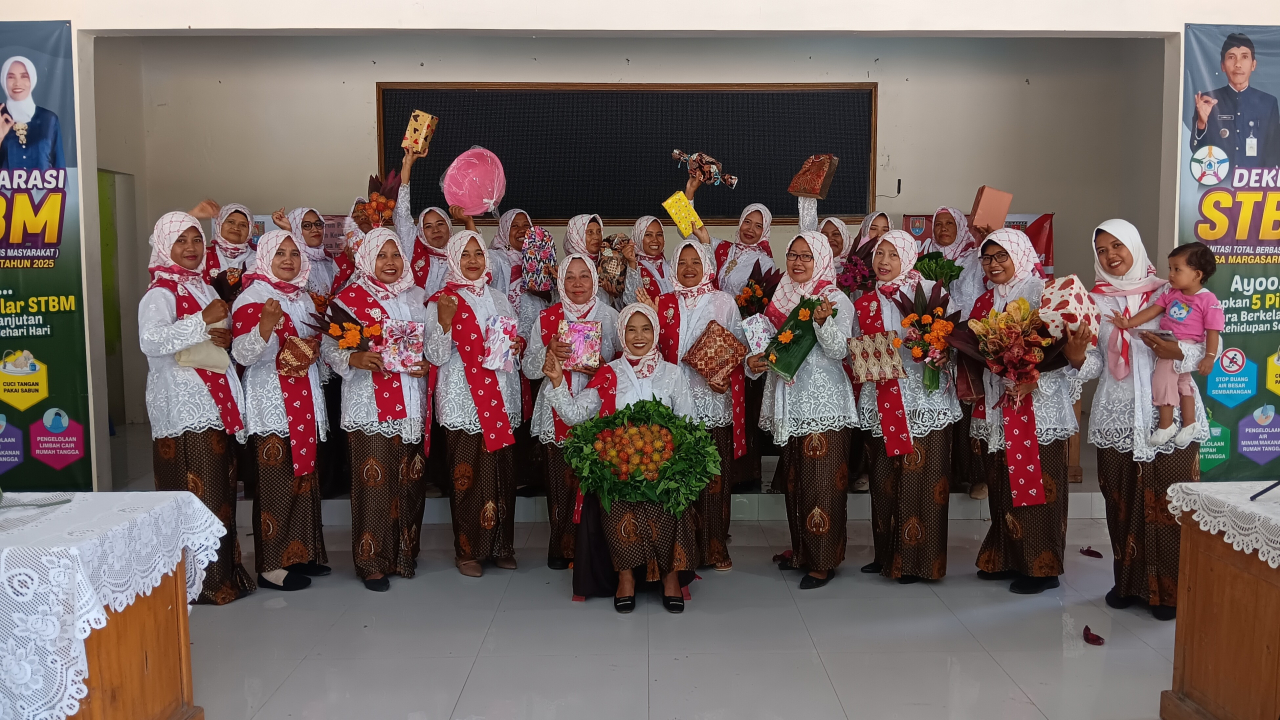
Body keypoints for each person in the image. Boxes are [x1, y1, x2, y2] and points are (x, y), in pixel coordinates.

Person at [1080, 219, 1207, 621]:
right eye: (1102, 250)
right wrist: (1075, 355)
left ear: (1134, 246)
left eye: (1117, 245)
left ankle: (1170, 594)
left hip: (1170, 414)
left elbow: (1203, 345)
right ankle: (1128, 586)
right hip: (1117, 417)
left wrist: (1176, 352)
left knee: (1171, 505)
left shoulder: (1171, 291)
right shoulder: (1093, 301)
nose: (1111, 255)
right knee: (1120, 503)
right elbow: (1094, 364)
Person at [543, 303, 699, 613]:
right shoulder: (609, 373)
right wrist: (558, 381)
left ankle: (670, 577)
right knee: (614, 501)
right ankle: (625, 578)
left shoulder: (672, 374)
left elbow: (689, 423)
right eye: (631, 329)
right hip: (619, 467)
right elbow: (575, 415)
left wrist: (671, 461)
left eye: (646, 329)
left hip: (662, 467)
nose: (639, 336)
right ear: (621, 334)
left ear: (656, 332)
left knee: (669, 498)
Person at [969, 229, 1092, 594]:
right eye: (987, 258)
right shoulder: (984, 302)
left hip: (1037, 409)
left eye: (1001, 256)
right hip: (999, 406)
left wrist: (1031, 380)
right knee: (1002, 484)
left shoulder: (1044, 293)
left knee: (1039, 487)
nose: (993, 264)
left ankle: (1041, 567)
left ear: (1020, 254)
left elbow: (1066, 353)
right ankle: (1006, 557)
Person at [139, 211, 253, 604]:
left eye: (196, 240)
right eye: (181, 240)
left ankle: (223, 576)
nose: (191, 248)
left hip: (213, 402)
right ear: (163, 246)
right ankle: (199, 584)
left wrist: (221, 336)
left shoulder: (203, 285)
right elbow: (151, 341)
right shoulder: (160, 293)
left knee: (219, 495)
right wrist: (202, 321)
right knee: (196, 496)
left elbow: (210, 334)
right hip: (183, 408)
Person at [748, 231, 858, 589]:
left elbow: (840, 350)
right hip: (789, 403)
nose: (797, 262)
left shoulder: (834, 298)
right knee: (796, 483)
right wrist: (754, 361)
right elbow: (767, 347)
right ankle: (802, 551)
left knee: (822, 485)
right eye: (793, 255)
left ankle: (823, 560)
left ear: (821, 259)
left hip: (823, 404)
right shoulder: (782, 296)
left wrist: (822, 321)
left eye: (806, 256)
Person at [323, 228, 429, 591]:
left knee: (410, 480)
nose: (390, 262)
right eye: (381, 255)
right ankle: (371, 561)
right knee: (374, 484)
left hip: (411, 401)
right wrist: (352, 357)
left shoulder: (417, 296)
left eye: (395, 254)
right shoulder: (348, 299)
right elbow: (328, 348)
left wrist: (426, 362)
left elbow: (429, 345)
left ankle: (404, 555)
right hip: (370, 406)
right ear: (367, 259)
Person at [852, 230, 962, 583]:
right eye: (879, 254)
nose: (883, 261)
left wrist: (942, 353)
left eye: (892, 254)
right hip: (882, 399)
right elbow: (856, 348)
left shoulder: (929, 293)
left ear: (908, 257)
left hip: (922, 401)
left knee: (922, 482)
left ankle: (919, 561)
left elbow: (956, 342)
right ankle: (887, 554)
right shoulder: (865, 301)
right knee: (883, 480)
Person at [639, 239, 748, 571]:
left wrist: (725, 378)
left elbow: (739, 348)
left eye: (695, 262)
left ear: (706, 266)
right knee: (679, 479)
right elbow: (649, 351)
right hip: (674, 404)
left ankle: (715, 548)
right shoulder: (664, 302)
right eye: (682, 262)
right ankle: (680, 549)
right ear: (673, 267)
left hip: (712, 402)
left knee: (713, 480)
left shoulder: (723, 301)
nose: (688, 268)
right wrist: (650, 315)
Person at [232, 230, 330, 592]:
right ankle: (271, 566)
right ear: (265, 258)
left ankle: (299, 554)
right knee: (275, 481)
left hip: (304, 397)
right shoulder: (252, 297)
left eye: (294, 253)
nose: (288, 260)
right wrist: (264, 327)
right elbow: (242, 354)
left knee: (303, 477)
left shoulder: (302, 297)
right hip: (271, 401)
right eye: (280, 253)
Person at [425, 230, 523, 577]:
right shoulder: (442, 300)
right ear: (453, 258)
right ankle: (467, 551)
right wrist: (444, 322)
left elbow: (510, 345)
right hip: (463, 399)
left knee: (502, 475)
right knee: (466, 476)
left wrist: (517, 346)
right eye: (464, 254)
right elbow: (435, 355)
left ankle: (501, 546)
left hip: (502, 396)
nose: (472, 260)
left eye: (478, 253)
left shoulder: (500, 298)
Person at [523, 254, 621, 569]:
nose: (577, 284)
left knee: (597, 481)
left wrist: (602, 366)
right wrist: (548, 351)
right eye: (570, 277)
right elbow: (528, 369)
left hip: (597, 408)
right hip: (555, 409)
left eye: (584, 276)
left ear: (595, 280)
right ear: (561, 282)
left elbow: (624, 364)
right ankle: (562, 548)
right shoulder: (547, 318)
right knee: (560, 483)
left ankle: (596, 550)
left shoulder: (610, 317)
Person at [1108, 243, 1221, 448]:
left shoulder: (1208, 300)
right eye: (1170, 268)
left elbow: (1213, 331)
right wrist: (1128, 323)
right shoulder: (1171, 293)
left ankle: (1166, 424)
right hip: (1168, 340)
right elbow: (1152, 311)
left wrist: (1210, 357)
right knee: (1183, 383)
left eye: (1177, 269)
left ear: (1197, 274)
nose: (1171, 274)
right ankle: (1190, 423)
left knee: (1162, 380)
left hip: (1184, 347)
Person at [923, 207, 990, 499]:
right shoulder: (924, 259)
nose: (943, 228)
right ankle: (942, 474)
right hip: (935, 341)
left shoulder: (974, 258)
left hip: (969, 338)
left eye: (950, 223)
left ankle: (976, 476)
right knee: (940, 403)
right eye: (938, 224)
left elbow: (989, 284)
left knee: (969, 404)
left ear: (961, 226)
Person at [1190, 32, 1280, 169]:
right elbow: (1196, 151)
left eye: (1244, 57)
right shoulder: (1207, 102)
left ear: (1253, 65)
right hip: (1218, 181)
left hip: (1254, 181)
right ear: (1222, 65)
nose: (1238, 64)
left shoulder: (1268, 103)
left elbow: (1274, 153)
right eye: (1231, 57)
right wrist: (1201, 123)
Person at [396, 147, 477, 297]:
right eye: (428, 226)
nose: (435, 230)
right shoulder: (412, 246)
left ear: (449, 227)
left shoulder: (458, 253)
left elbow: (476, 250)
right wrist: (407, 166)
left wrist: (468, 221)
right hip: (415, 310)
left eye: (440, 224)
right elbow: (402, 214)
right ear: (421, 232)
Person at [0, 56, 63, 170]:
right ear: (3, 80)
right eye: (11, 77)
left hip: (42, 182)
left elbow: (59, 167)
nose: (17, 83)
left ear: (32, 79)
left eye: (24, 76)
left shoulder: (49, 119)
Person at [186, 200, 256, 301]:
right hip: (202, 310)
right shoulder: (200, 254)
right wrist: (192, 215)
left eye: (243, 225)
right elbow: (168, 249)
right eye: (230, 222)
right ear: (219, 224)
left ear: (250, 231)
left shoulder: (260, 259)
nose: (236, 227)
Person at [565, 213, 621, 304]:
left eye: (599, 232)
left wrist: (614, 295)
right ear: (576, 237)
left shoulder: (608, 262)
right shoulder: (566, 269)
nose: (596, 237)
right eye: (590, 232)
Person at [621, 216, 674, 304]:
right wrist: (632, 263)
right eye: (648, 235)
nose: (655, 240)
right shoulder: (633, 267)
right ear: (638, 237)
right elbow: (631, 302)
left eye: (659, 234)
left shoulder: (672, 266)